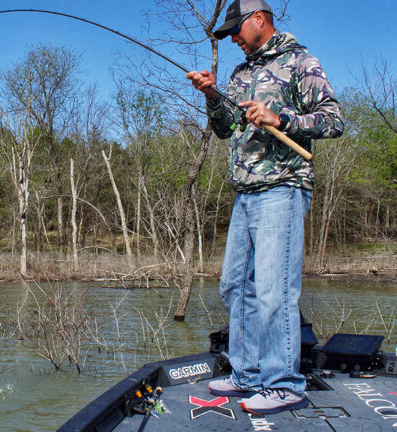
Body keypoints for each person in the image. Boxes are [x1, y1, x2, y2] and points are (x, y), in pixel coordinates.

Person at [186, 0, 344, 415]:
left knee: (274, 291)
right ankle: (247, 374)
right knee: (235, 287)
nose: (234, 38)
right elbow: (226, 129)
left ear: (260, 19)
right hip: (245, 192)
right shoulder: (240, 73)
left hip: (283, 189)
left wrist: (281, 118)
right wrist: (211, 96)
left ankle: (284, 384)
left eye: (237, 30)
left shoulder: (299, 62)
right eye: (229, 34)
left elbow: (333, 120)